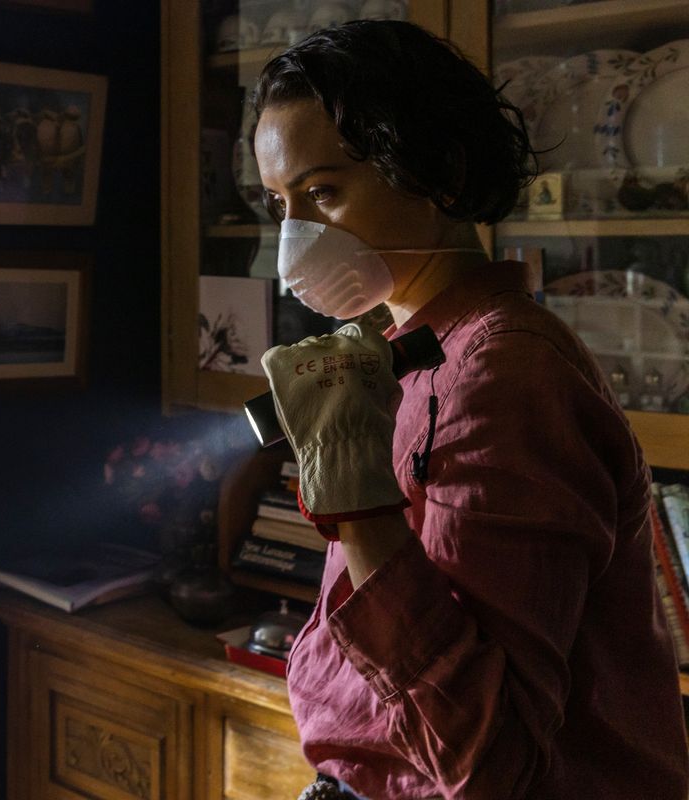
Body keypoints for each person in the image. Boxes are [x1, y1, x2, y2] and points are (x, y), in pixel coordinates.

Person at [253, 20, 689, 800]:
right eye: (280, 203)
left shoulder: (504, 376)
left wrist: (360, 506)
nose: (295, 239)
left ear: (442, 176)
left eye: (322, 193)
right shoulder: (411, 356)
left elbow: (495, 768)